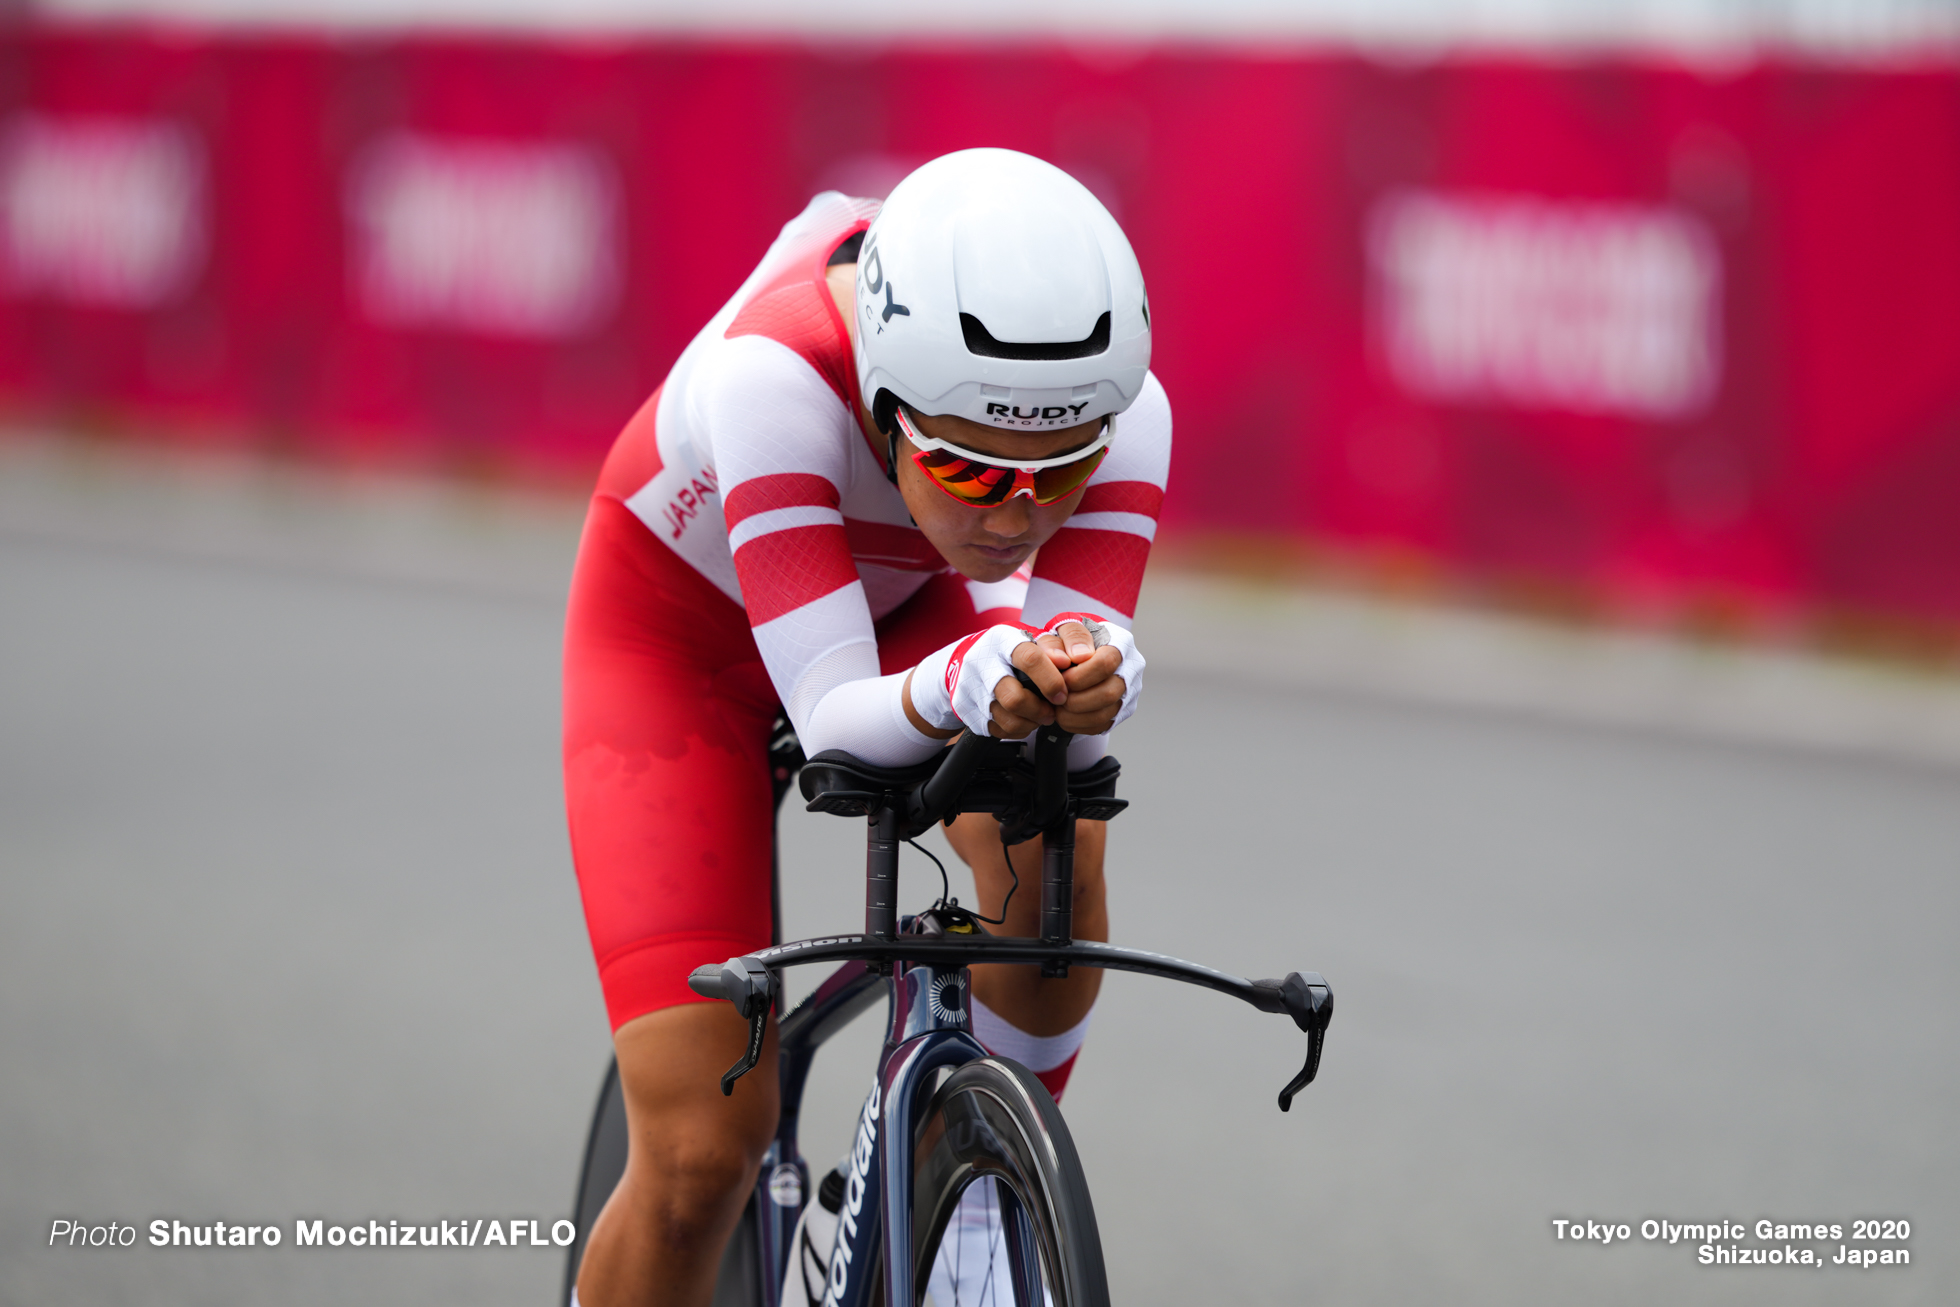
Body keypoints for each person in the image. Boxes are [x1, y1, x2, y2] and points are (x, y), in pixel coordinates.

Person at [561, 147, 1170, 1307]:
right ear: (885, 407)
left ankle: (980, 1214)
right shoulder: (776, 376)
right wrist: (970, 676)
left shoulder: (1126, 414)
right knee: (701, 1156)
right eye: (973, 469)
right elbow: (838, 715)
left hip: (903, 600)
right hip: (681, 640)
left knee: (1058, 845)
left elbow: (1070, 752)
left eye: (1066, 468)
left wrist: (1086, 682)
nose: (1025, 512)